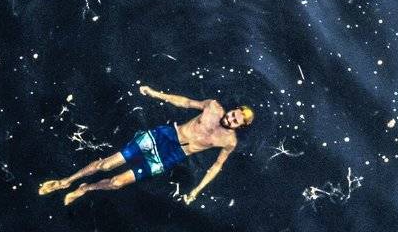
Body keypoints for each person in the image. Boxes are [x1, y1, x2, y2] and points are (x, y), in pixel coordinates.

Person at [38, 85, 254, 206]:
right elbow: (185, 102)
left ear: (239, 126)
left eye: (236, 121)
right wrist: (155, 93)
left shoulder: (229, 142)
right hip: (165, 135)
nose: (231, 118)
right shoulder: (214, 107)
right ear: (233, 109)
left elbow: (216, 166)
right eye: (234, 113)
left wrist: (197, 190)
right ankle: (66, 181)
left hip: (173, 155)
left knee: (117, 182)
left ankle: (86, 189)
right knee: (105, 166)